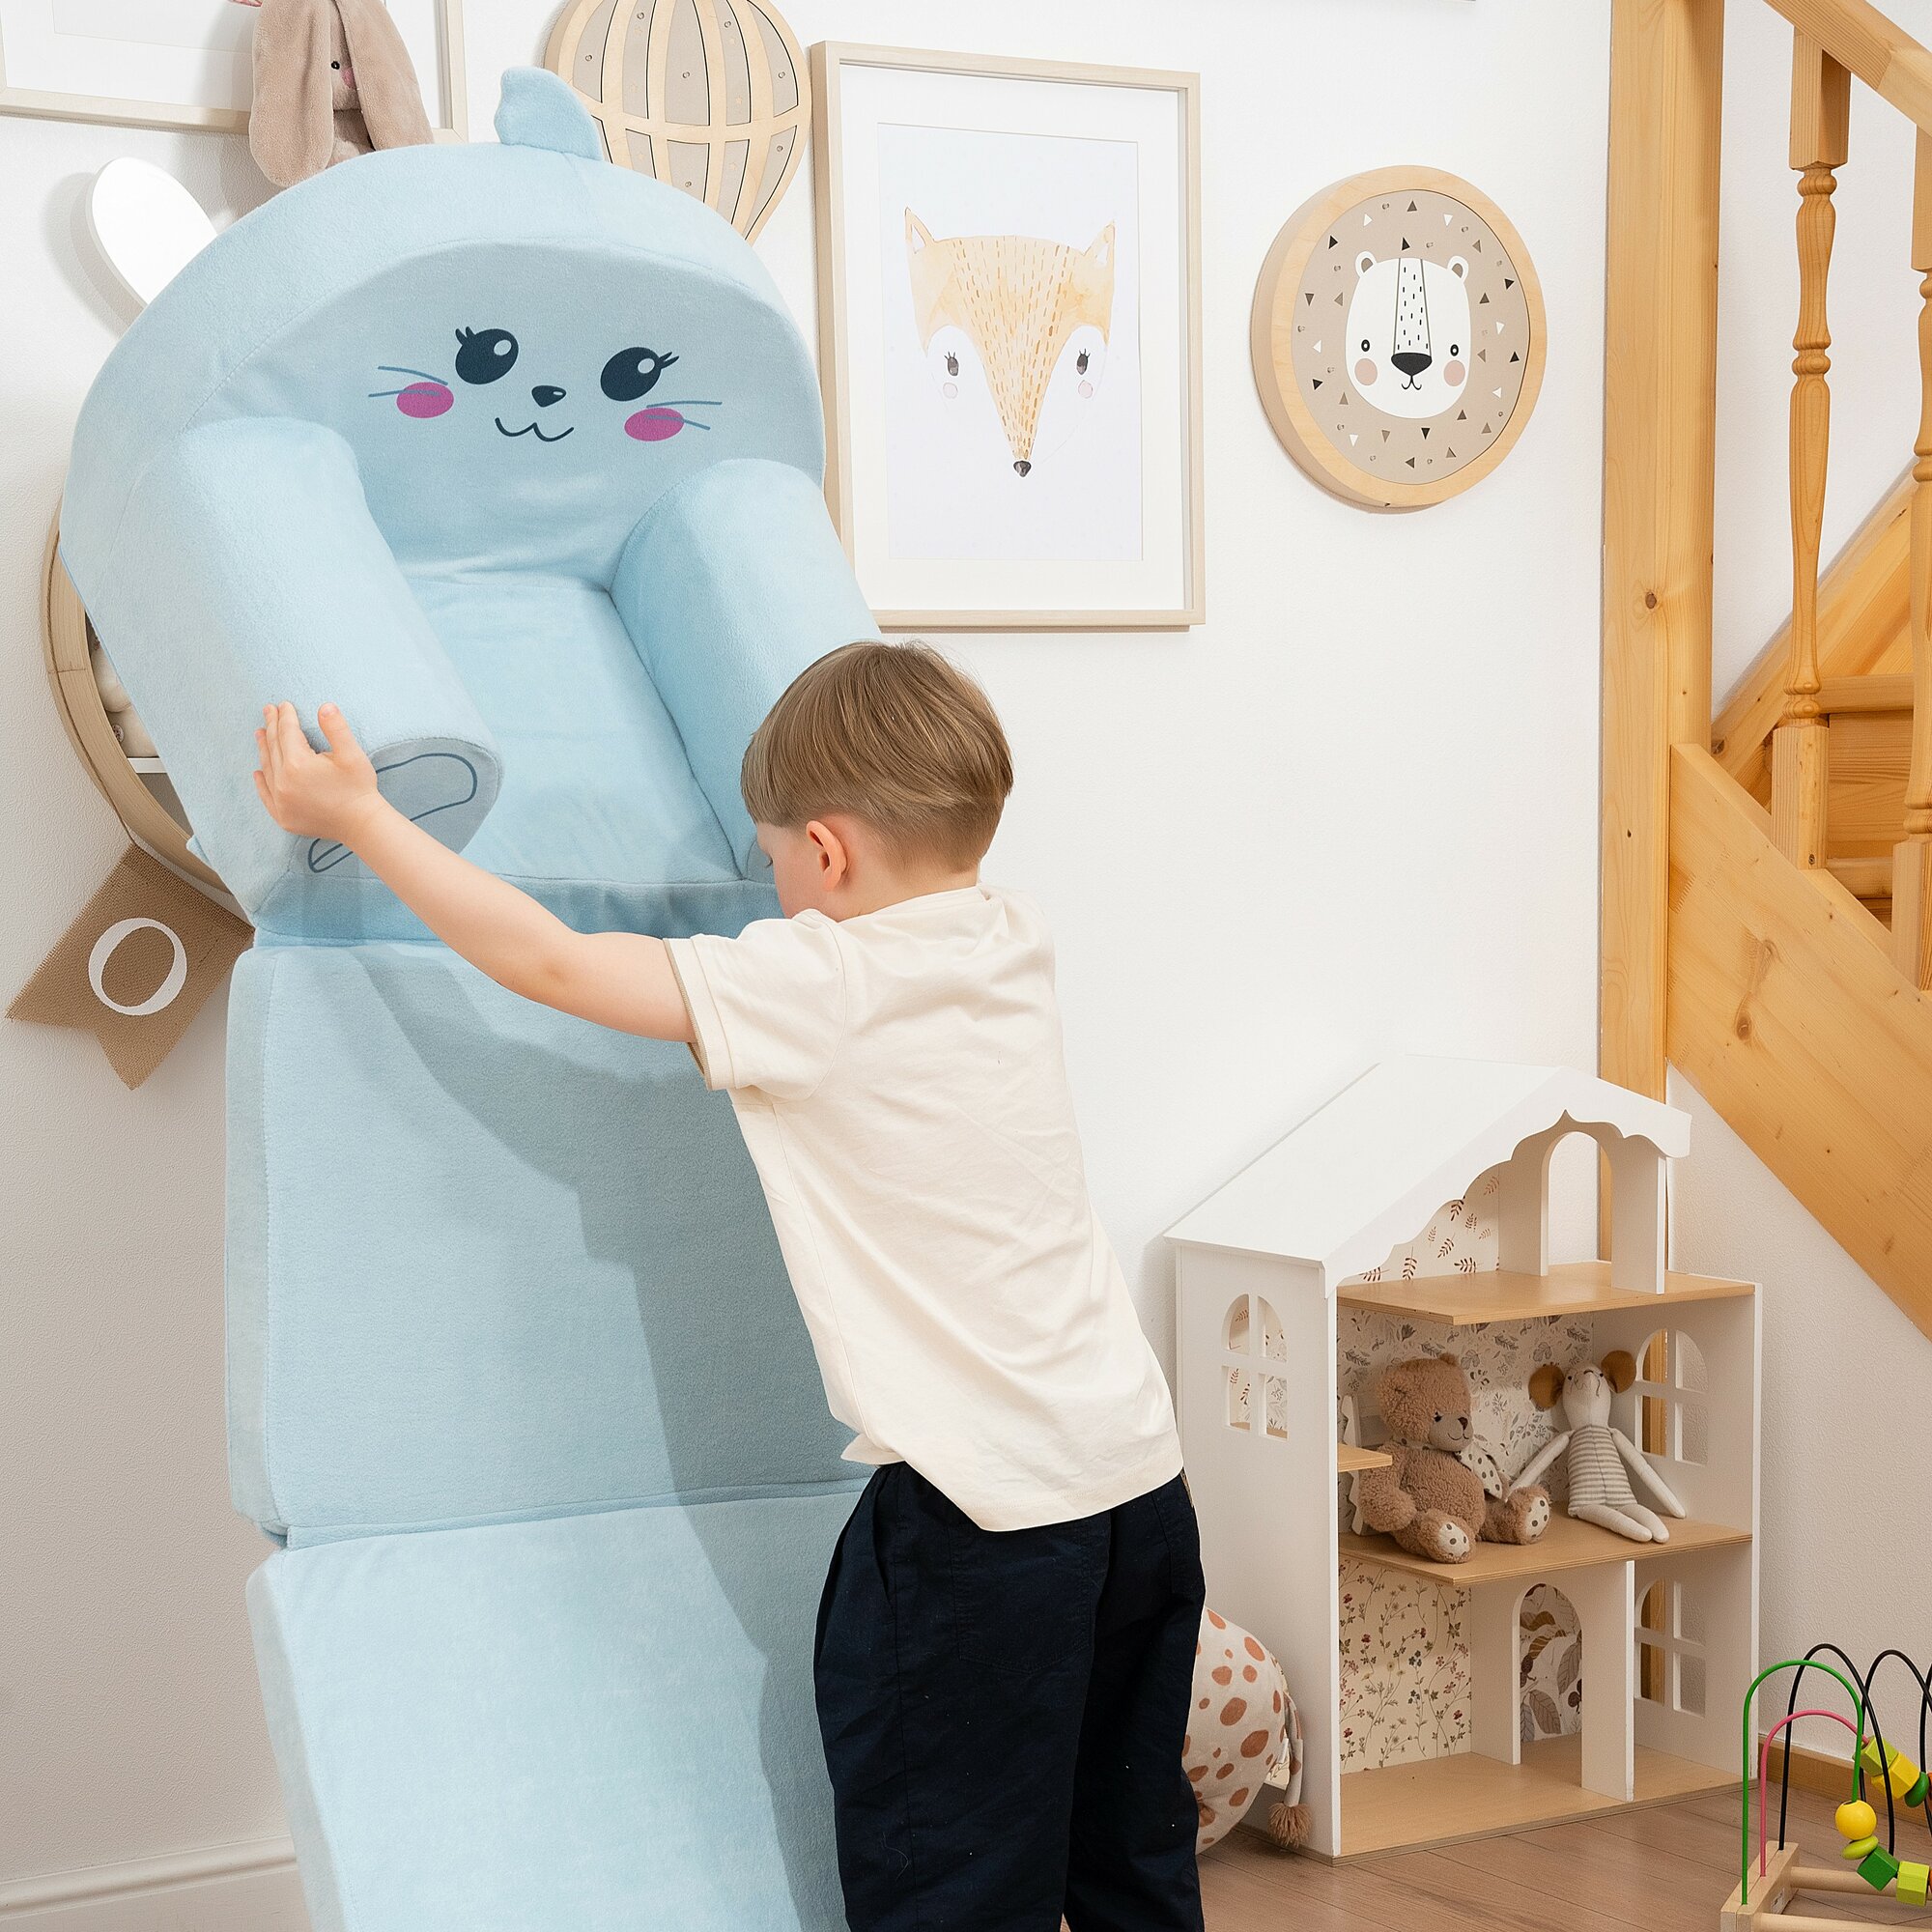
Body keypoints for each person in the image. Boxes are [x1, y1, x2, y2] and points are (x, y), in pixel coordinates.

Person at [252, 639, 1205, 1932]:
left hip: (983, 1519)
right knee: (1131, 1852)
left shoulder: (826, 981)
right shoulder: (1007, 937)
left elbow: (552, 964)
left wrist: (364, 817)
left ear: (827, 853)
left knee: (953, 1879)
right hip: (1138, 1485)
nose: (769, 891)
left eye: (770, 861)